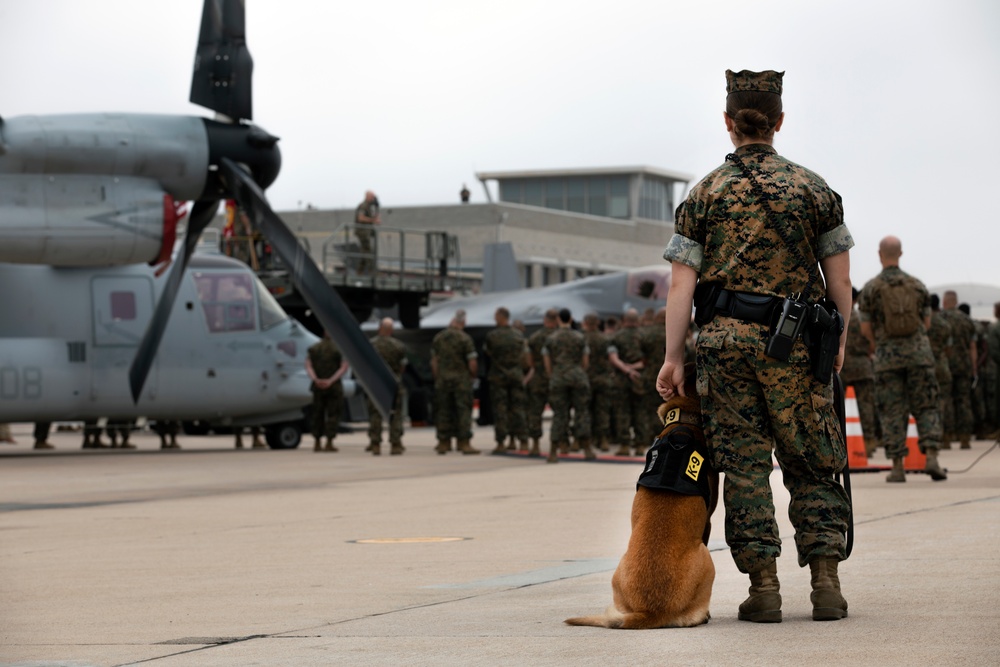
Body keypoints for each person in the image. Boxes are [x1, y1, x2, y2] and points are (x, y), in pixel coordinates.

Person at [657, 70, 853, 623]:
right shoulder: (816, 190)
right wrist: (836, 340)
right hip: (796, 347)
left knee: (743, 466)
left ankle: (763, 587)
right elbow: (840, 283)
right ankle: (826, 584)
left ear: (728, 122)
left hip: (725, 347)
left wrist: (674, 359)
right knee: (813, 460)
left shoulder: (704, 193)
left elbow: (681, 287)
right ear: (780, 121)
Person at [859, 236, 948, 483]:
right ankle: (931, 457)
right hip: (919, 355)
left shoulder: (871, 288)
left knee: (891, 411)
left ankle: (897, 467)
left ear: (880, 254)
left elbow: (865, 328)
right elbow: (927, 323)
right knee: (927, 406)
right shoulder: (917, 285)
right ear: (901, 253)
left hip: (887, 358)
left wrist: (881, 346)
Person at [542, 308, 593, 462]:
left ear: (558, 320)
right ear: (570, 319)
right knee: (581, 412)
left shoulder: (551, 338)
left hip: (558, 377)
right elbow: (585, 360)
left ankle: (553, 451)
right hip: (577, 376)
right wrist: (578, 371)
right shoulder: (579, 337)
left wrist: (554, 374)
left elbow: (546, 360)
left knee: (559, 414)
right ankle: (587, 449)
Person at [430, 309, 480, 455]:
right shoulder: (465, 338)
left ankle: (443, 443)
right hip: (461, 381)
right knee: (463, 411)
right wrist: (473, 376)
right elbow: (472, 362)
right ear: (462, 323)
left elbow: (434, 362)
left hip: (443, 380)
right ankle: (464, 443)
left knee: (443, 411)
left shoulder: (439, 338)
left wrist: (437, 377)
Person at [483, 307, 530, 454]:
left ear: (500, 317)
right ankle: (523, 441)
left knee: (500, 410)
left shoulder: (492, 336)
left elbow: (488, 353)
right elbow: (525, 360)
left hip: (498, 377)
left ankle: (501, 442)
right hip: (516, 376)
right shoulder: (518, 336)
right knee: (518, 409)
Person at [841, 287, 881, 456]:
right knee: (866, 406)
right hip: (863, 367)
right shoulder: (861, 319)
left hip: (841, 367)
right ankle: (869, 443)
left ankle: (843, 443)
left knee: (839, 408)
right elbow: (873, 343)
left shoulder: (838, 317)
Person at [940, 290, 977, 449]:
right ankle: (965, 438)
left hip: (945, 366)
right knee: (964, 402)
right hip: (963, 366)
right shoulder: (967, 320)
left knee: (946, 401)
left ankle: (946, 437)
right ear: (956, 301)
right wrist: (974, 368)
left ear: (945, 302)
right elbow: (972, 347)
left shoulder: (940, 319)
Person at [368, 317, 408, 456]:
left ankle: (375, 444)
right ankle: (395, 444)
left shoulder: (371, 345)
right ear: (391, 330)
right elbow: (402, 366)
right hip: (394, 383)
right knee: (395, 414)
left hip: (375, 383)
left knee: (375, 414)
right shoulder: (399, 345)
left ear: (379, 328)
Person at [608, 308, 644, 456]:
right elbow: (647, 360)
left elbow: (613, 357)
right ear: (637, 320)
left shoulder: (616, 337)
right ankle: (640, 444)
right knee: (640, 411)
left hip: (621, 380)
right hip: (640, 379)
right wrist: (634, 368)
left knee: (622, 412)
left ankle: (624, 445)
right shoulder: (645, 336)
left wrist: (626, 369)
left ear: (624, 320)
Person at [306, 331, 349, 452]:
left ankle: (317, 442)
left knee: (317, 413)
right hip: (334, 387)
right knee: (334, 414)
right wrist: (330, 381)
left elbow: (308, 366)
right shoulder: (339, 348)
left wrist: (316, 379)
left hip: (317, 387)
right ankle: (329, 442)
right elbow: (344, 367)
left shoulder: (314, 348)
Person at [525, 308, 559, 452]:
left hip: (538, 378)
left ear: (545, 320)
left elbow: (528, 360)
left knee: (535, 412)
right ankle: (560, 444)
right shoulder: (560, 337)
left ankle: (535, 444)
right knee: (559, 412)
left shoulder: (534, 337)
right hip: (556, 379)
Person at [581, 312, 613, 451]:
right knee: (602, 410)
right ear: (598, 324)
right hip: (603, 379)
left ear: (585, 323)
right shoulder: (605, 339)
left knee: (586, 410)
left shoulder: (581, 339)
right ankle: (603, 439)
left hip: (586, 379)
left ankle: (585, 439)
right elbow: (611, 358)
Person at [928, 294, 955, 447]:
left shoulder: (923, 322)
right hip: (942, 365)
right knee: (944, 401)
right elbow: (949, 349)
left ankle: (932, 437)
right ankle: (946, 437)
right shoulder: (945, 325)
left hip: (926, 364)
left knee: (927, 402)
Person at [354, 190, 381, 274]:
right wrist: (373, 220)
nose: (373, 198)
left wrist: (377, 207)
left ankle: (359, 272)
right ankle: (372, 272)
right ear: (367, 196)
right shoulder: (363, 206)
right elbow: (360, 218)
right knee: (368, 251)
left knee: (365, 252)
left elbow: (373, 217)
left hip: (367, 232)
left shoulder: (370, 206)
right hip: (362, 232)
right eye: (372, 196)